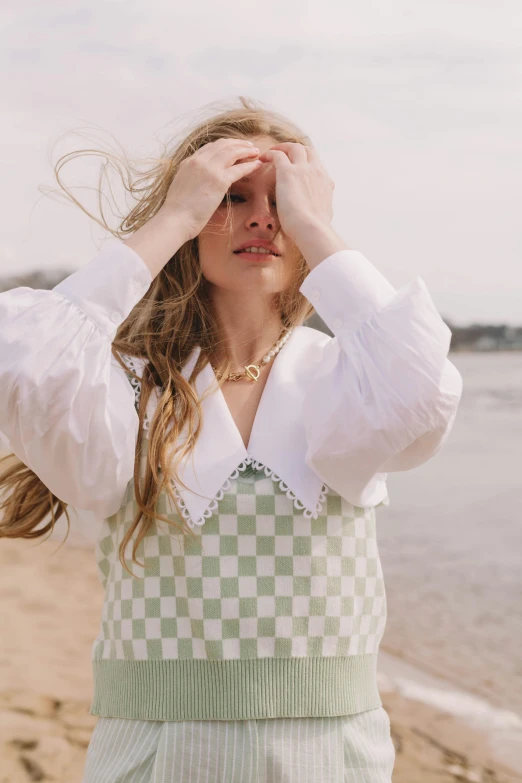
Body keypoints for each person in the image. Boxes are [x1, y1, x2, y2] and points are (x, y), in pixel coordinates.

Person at [0, 97, 463, 782]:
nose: (261, 216)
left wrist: (316, 226)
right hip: (155, 758)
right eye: (231, 195)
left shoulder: (344, 379)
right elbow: (22, 366)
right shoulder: (132, 386)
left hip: (331, 759)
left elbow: (426, 394)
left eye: (281, 198)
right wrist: (174, 217)